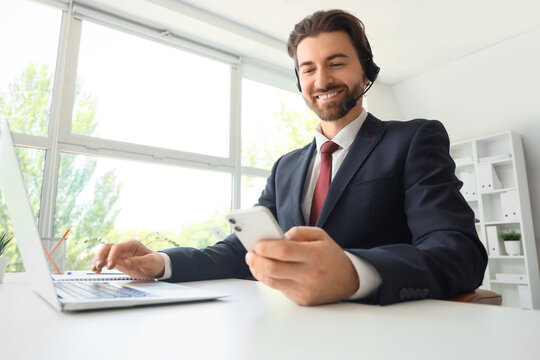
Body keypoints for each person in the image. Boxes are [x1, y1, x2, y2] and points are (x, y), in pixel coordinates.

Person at [92, 9, 487, 306]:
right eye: (308, 69)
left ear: (365, 69)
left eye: (336, 62)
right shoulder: (287, 167)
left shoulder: (413, 139)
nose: (322, 80)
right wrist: (160, 263)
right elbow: (240, 251)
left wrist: (353, 274)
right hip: (291, 330)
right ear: (299, 82)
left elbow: (458, 251)